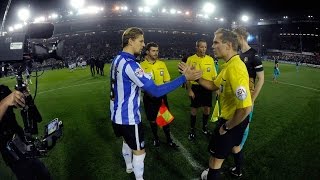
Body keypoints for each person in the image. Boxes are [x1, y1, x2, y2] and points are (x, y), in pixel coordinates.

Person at [109, 27, 201, 180]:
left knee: (126, 141)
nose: (143, 45)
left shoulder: (116, 60)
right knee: (139, 151)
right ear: (130, 41)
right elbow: (156, 91)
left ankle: (129, 167)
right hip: (129, 118)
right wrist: (184, 78)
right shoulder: (131, 65)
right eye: (141, 41)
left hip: (115, 115)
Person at [197, 28, 252, 180]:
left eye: (216, 42)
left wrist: (226, 126)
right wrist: (197, 77)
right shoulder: (228, 65)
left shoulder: (235, 68)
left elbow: (246, 108)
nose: (212, 46)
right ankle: (238, 171)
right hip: (236, 120)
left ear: (227, 45)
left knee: (215, 161)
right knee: (235, 147)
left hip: (232, 121)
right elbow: (213, 85)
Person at [0, 84, 51, 180]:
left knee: (43, 174)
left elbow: (18, 103)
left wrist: (23, 95)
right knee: (27, 175)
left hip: (21, 139)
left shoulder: (2, 89)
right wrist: (5, 102)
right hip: (9, 149)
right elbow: (7, 101)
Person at [140, 42, 178, 148]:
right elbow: (140, 84)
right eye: (153, 50)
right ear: (147, 52)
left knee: (165, 118)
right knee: (152, 119)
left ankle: (169, 139)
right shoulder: (141, 66)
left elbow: (167, 80)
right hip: (149, 97)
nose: (156, 53)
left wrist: (162, 91)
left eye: (157, 51)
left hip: (161, 96)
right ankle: (156, 138)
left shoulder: (162, 64)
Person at [233, 27, 264, 145]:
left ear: (240, 37)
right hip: (237, 94)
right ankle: (235, 144)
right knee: (236, 120)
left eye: (235, 37)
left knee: (245, 123)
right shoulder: (239, 54)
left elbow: (261, 79)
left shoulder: (254, 55)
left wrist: (252, 99)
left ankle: (239, 149)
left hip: (248, 97)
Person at [186, 39, 217, 140]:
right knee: (194, 109)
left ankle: (204, 127)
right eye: (201, 47)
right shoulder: (190, 59)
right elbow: (186, 77)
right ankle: (192, 130)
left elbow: (214, 76)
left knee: (207, 109)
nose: (203, 49)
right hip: (195, 88)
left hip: (207, 87)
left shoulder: (210, 59)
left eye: (205, 47)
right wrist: (189, 90)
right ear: (197, 47)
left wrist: (216, 89)